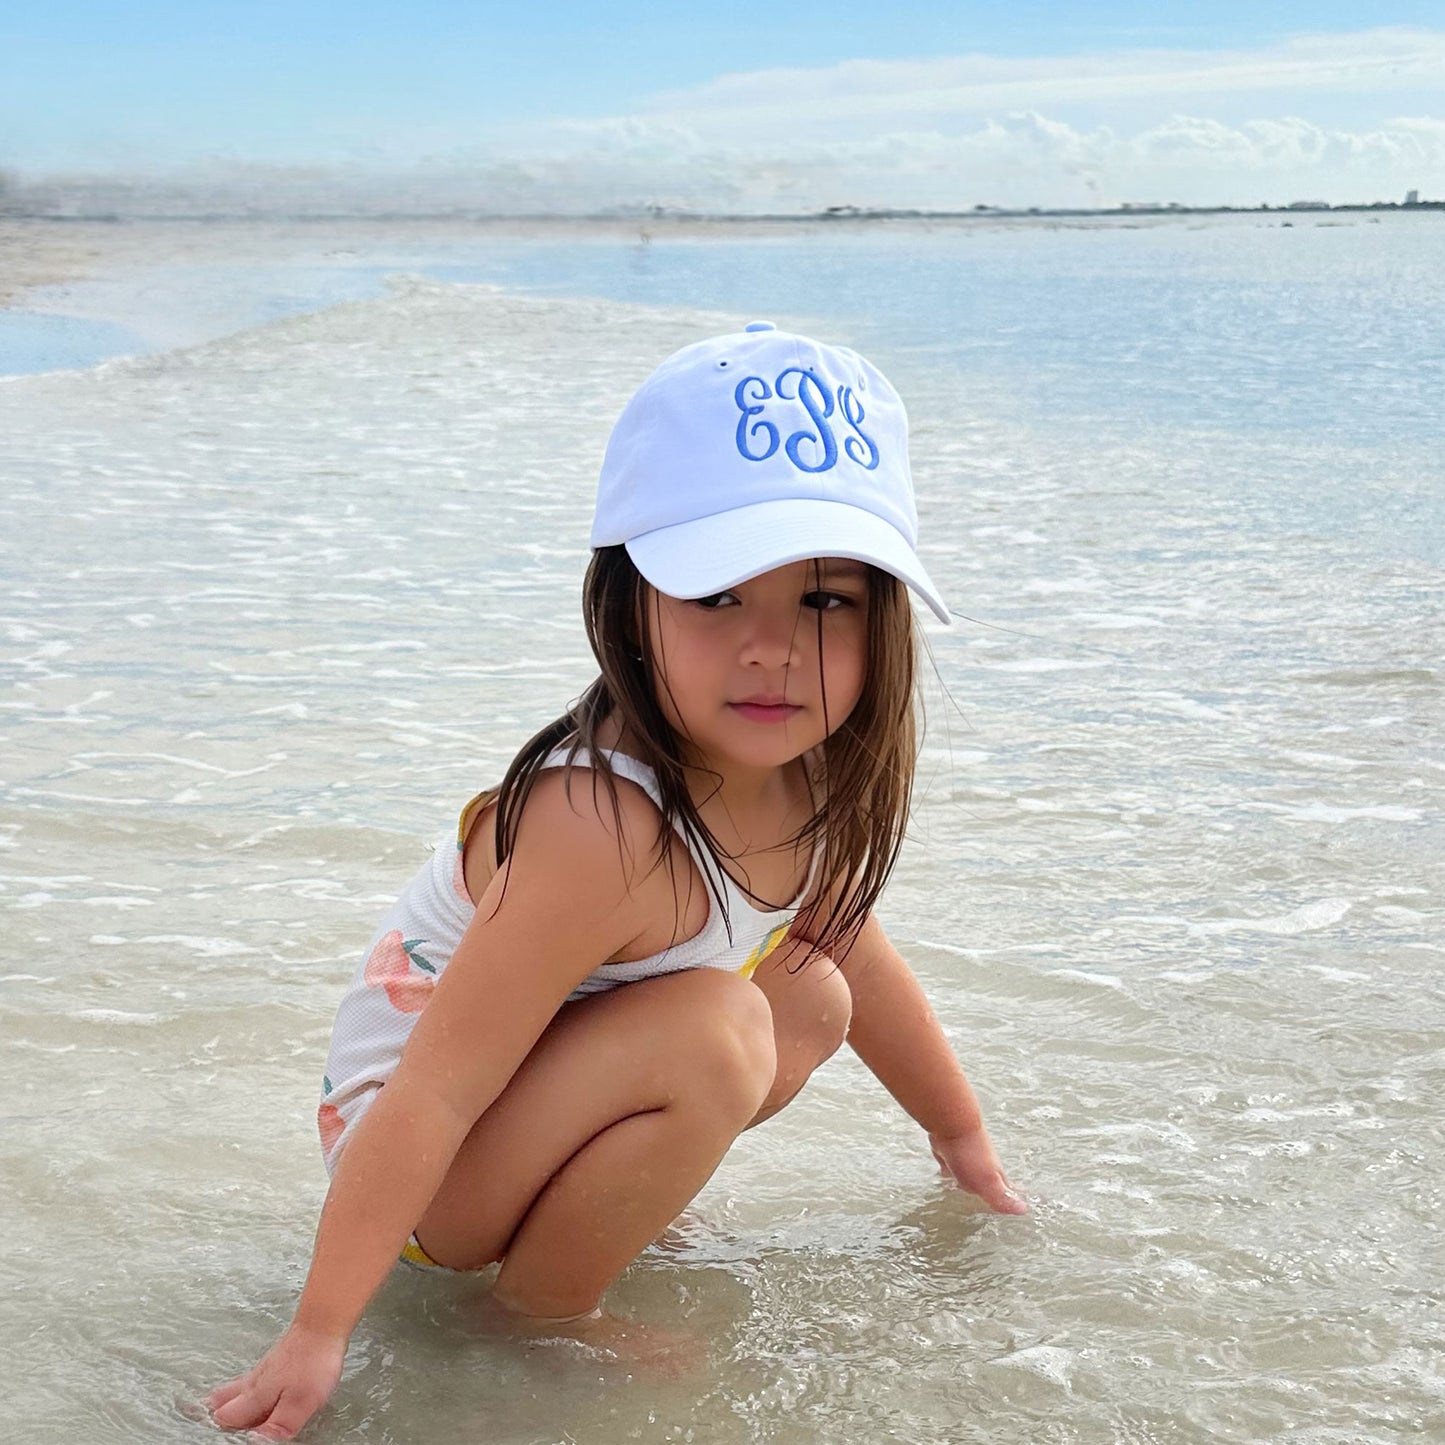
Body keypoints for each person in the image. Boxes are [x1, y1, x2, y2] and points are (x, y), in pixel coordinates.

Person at [207, 322, 1026, 1440]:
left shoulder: (810, 781)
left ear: (883, 621)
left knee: (811, 993)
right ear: (628, 606)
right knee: (718, 1025)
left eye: (824, 601)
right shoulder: (600, 820)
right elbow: (434, 1089)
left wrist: (960, 1145)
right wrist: (317, 1329)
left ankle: (584, 1218)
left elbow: (865, 966)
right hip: (417, 1160)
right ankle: (535, 1312)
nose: (771, 647)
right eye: (718, 596)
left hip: (533, 1103)